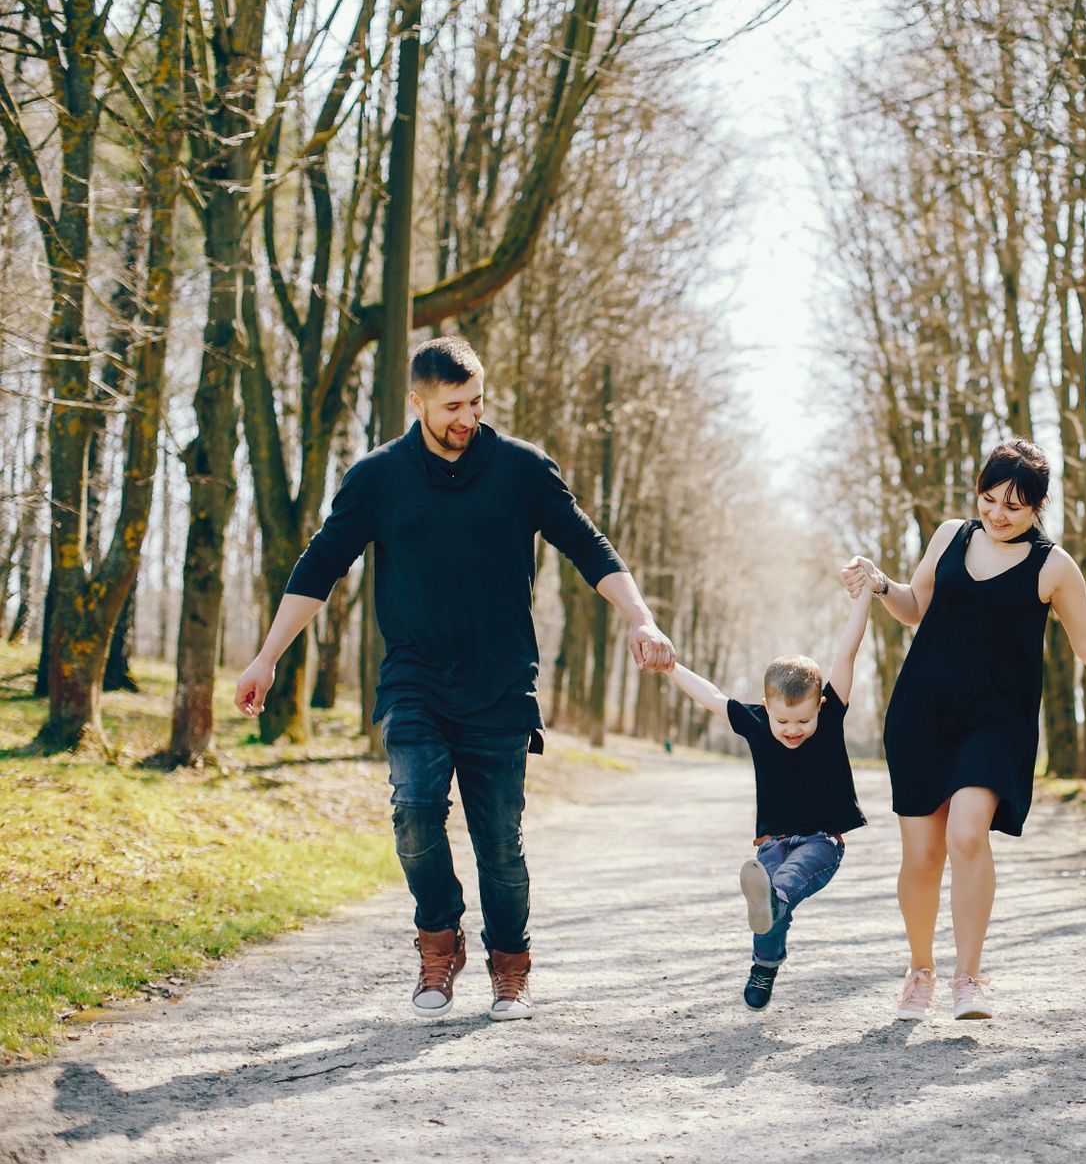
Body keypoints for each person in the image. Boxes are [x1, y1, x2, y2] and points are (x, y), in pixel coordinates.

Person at [232, 336, 675, 1022]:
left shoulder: (522, 470)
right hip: (415, 677)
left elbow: (590, 546)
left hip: (501, 683)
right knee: (413, 811)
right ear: (418, 403)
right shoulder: (378, 478)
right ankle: (439, 942)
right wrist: (266, 656)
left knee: (499, 843)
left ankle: (510, 966)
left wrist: (640, 620)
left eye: (475, 402)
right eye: (452, 406)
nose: (467, 418)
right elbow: (319, 568)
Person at [842, 439, 1086, 1023]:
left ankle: (969, 978)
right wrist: (882, 584)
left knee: (966, 835)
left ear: (1038, 505)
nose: (997, 513)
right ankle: (920, 972)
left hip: (996, 722)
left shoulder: (1053, 566)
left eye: (1013, 504)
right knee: (922, 855)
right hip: (922, 713)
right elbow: (916, 608)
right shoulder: (950, 536)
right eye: (989, 499)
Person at [667, 585, 872, 1010]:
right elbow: (711, 698)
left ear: (820, 705)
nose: (793, 729)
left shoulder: (830, 716)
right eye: (782, 720)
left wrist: (864, 598)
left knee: (782, 886)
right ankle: (765, 964)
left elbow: (846, 655)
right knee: (769, 900)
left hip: (821, 842)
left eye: (804, 719)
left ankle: (770, 921)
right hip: (771, 843)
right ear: (765, 707)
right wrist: (671, 667)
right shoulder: (757, 723)